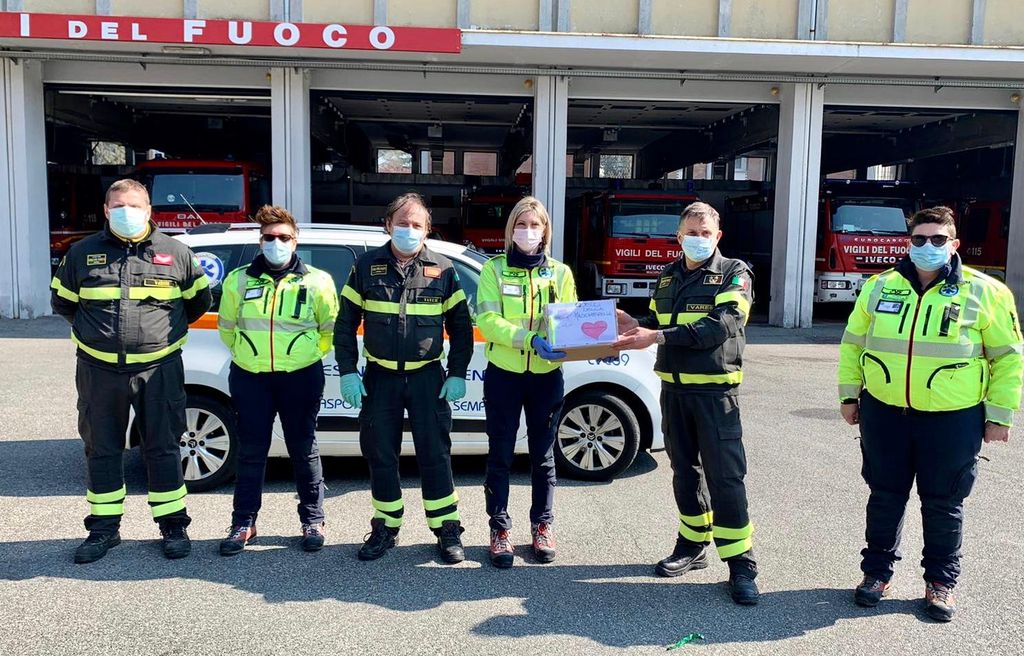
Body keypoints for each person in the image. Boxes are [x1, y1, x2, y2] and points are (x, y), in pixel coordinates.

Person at [838, 206, 1022, 622]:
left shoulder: (986, 292)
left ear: (954, 244)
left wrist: (999, 415)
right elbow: (852, 344)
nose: (927, 246)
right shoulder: (880, 286)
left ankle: (940, 582)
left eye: (938, 240)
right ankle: (876, 574)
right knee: (884, 496)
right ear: (909, 242)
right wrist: (849, 396)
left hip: (953, 418)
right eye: (919, 239)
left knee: (943, 502)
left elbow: (1008, 357)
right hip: (885, 412)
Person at [50, 178, 212, 563]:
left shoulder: (177, 253)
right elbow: (64, 303)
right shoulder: (81, 253)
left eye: (134, 206)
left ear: (149, 210)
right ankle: (104, 529)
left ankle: (173, 525)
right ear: (106, 211)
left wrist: (156, 338)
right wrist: (98, 337)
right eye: (119, 206)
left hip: (159, 368)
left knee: (164, 447)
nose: (127, 212)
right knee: (102, 448)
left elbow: (198, 303)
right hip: (99, 370)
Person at [614, 201, 758, 605]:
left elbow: (722, 324)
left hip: (715, 394)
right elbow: (658, 322)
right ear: (678, 237)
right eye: (691, 233)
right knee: (685, 473)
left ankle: (742, 564)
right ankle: (693, 544)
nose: (698, 239)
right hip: (674, 391)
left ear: (718, 236)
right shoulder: (667, 276)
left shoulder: (734, 273)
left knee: (725, 477)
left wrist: (657, 337)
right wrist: (635, 325)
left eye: (705, 233)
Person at [334, 192, 474, 563]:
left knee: (435, 454)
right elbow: (345, 324)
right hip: (381, 379)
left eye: (416, 224)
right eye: (402, 223)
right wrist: (347, 371)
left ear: (427, 230)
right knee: (380, 453)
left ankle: (446, 528)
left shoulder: (444, 269)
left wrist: (457, 373)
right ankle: (385, 526)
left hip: (428, 379)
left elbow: (461, 327)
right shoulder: (365, 266)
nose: (408, 230)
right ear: (388, 225)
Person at [215, 206, 339, 556]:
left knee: (303, 448)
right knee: (251, 451)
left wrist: (305, 354)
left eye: (284, 237)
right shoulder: (238, 280)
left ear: (295, 241)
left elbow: (328, 329)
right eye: (269, 237)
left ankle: (313, 520)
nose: (276, 243)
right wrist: (249, 353)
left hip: (301, 375)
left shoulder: (317, 281)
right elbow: (227, 328)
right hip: (251, 376)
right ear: (260, 241)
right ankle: (243, 522)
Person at [475, 196, 577, 568]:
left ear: (545, 230)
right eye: (521, 224)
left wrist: (582, 342)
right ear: (511, 230)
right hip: (505, 374)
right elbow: (488, 322)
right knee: (500, 455)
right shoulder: (494, 270)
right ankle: (499, 529)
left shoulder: (561, 273)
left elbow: (570, 320)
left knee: (543, 457)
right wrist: (530, 340)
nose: (528, 231)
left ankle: (542, 525)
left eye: (535, 225)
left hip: (546, 377)